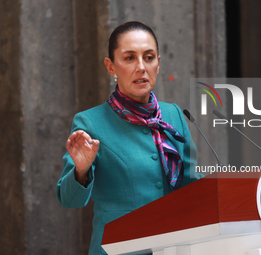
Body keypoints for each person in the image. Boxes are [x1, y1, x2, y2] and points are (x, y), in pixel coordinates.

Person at [56, 21, 200, 255]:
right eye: (130, 58)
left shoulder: (174, 115)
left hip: (175, 248)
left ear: (159, 64)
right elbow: (69, 199)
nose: (141, 67)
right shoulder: (90, 122)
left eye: (149, 57)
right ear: (111, 66)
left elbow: (191, 184)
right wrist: (81, 171)